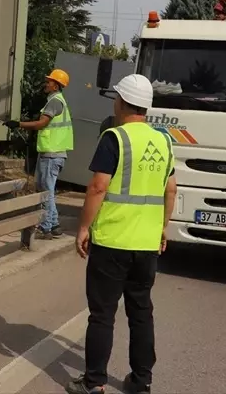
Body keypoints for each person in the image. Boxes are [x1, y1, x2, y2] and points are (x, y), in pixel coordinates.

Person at [67, 74, 176, 394]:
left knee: (102, 315)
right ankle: (141, 383)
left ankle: (94, 383)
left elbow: (98, 186)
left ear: (123, 102)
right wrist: (163, 228)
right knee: (141, 313)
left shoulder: (114, 138)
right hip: (146, 245)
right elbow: (171, 189)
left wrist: (84, 228)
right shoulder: (164, 140)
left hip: (113, 242)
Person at [3, 68, 73, 239]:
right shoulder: (57, 100)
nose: (46, 83)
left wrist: (18, 124)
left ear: (56, 86)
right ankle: (54, 224)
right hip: (53, 152)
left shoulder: (55, 102)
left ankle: (45, 226)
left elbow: (42, 124)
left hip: (51, 153)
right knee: (46, 189)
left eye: (49, 81)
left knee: (45, 190)